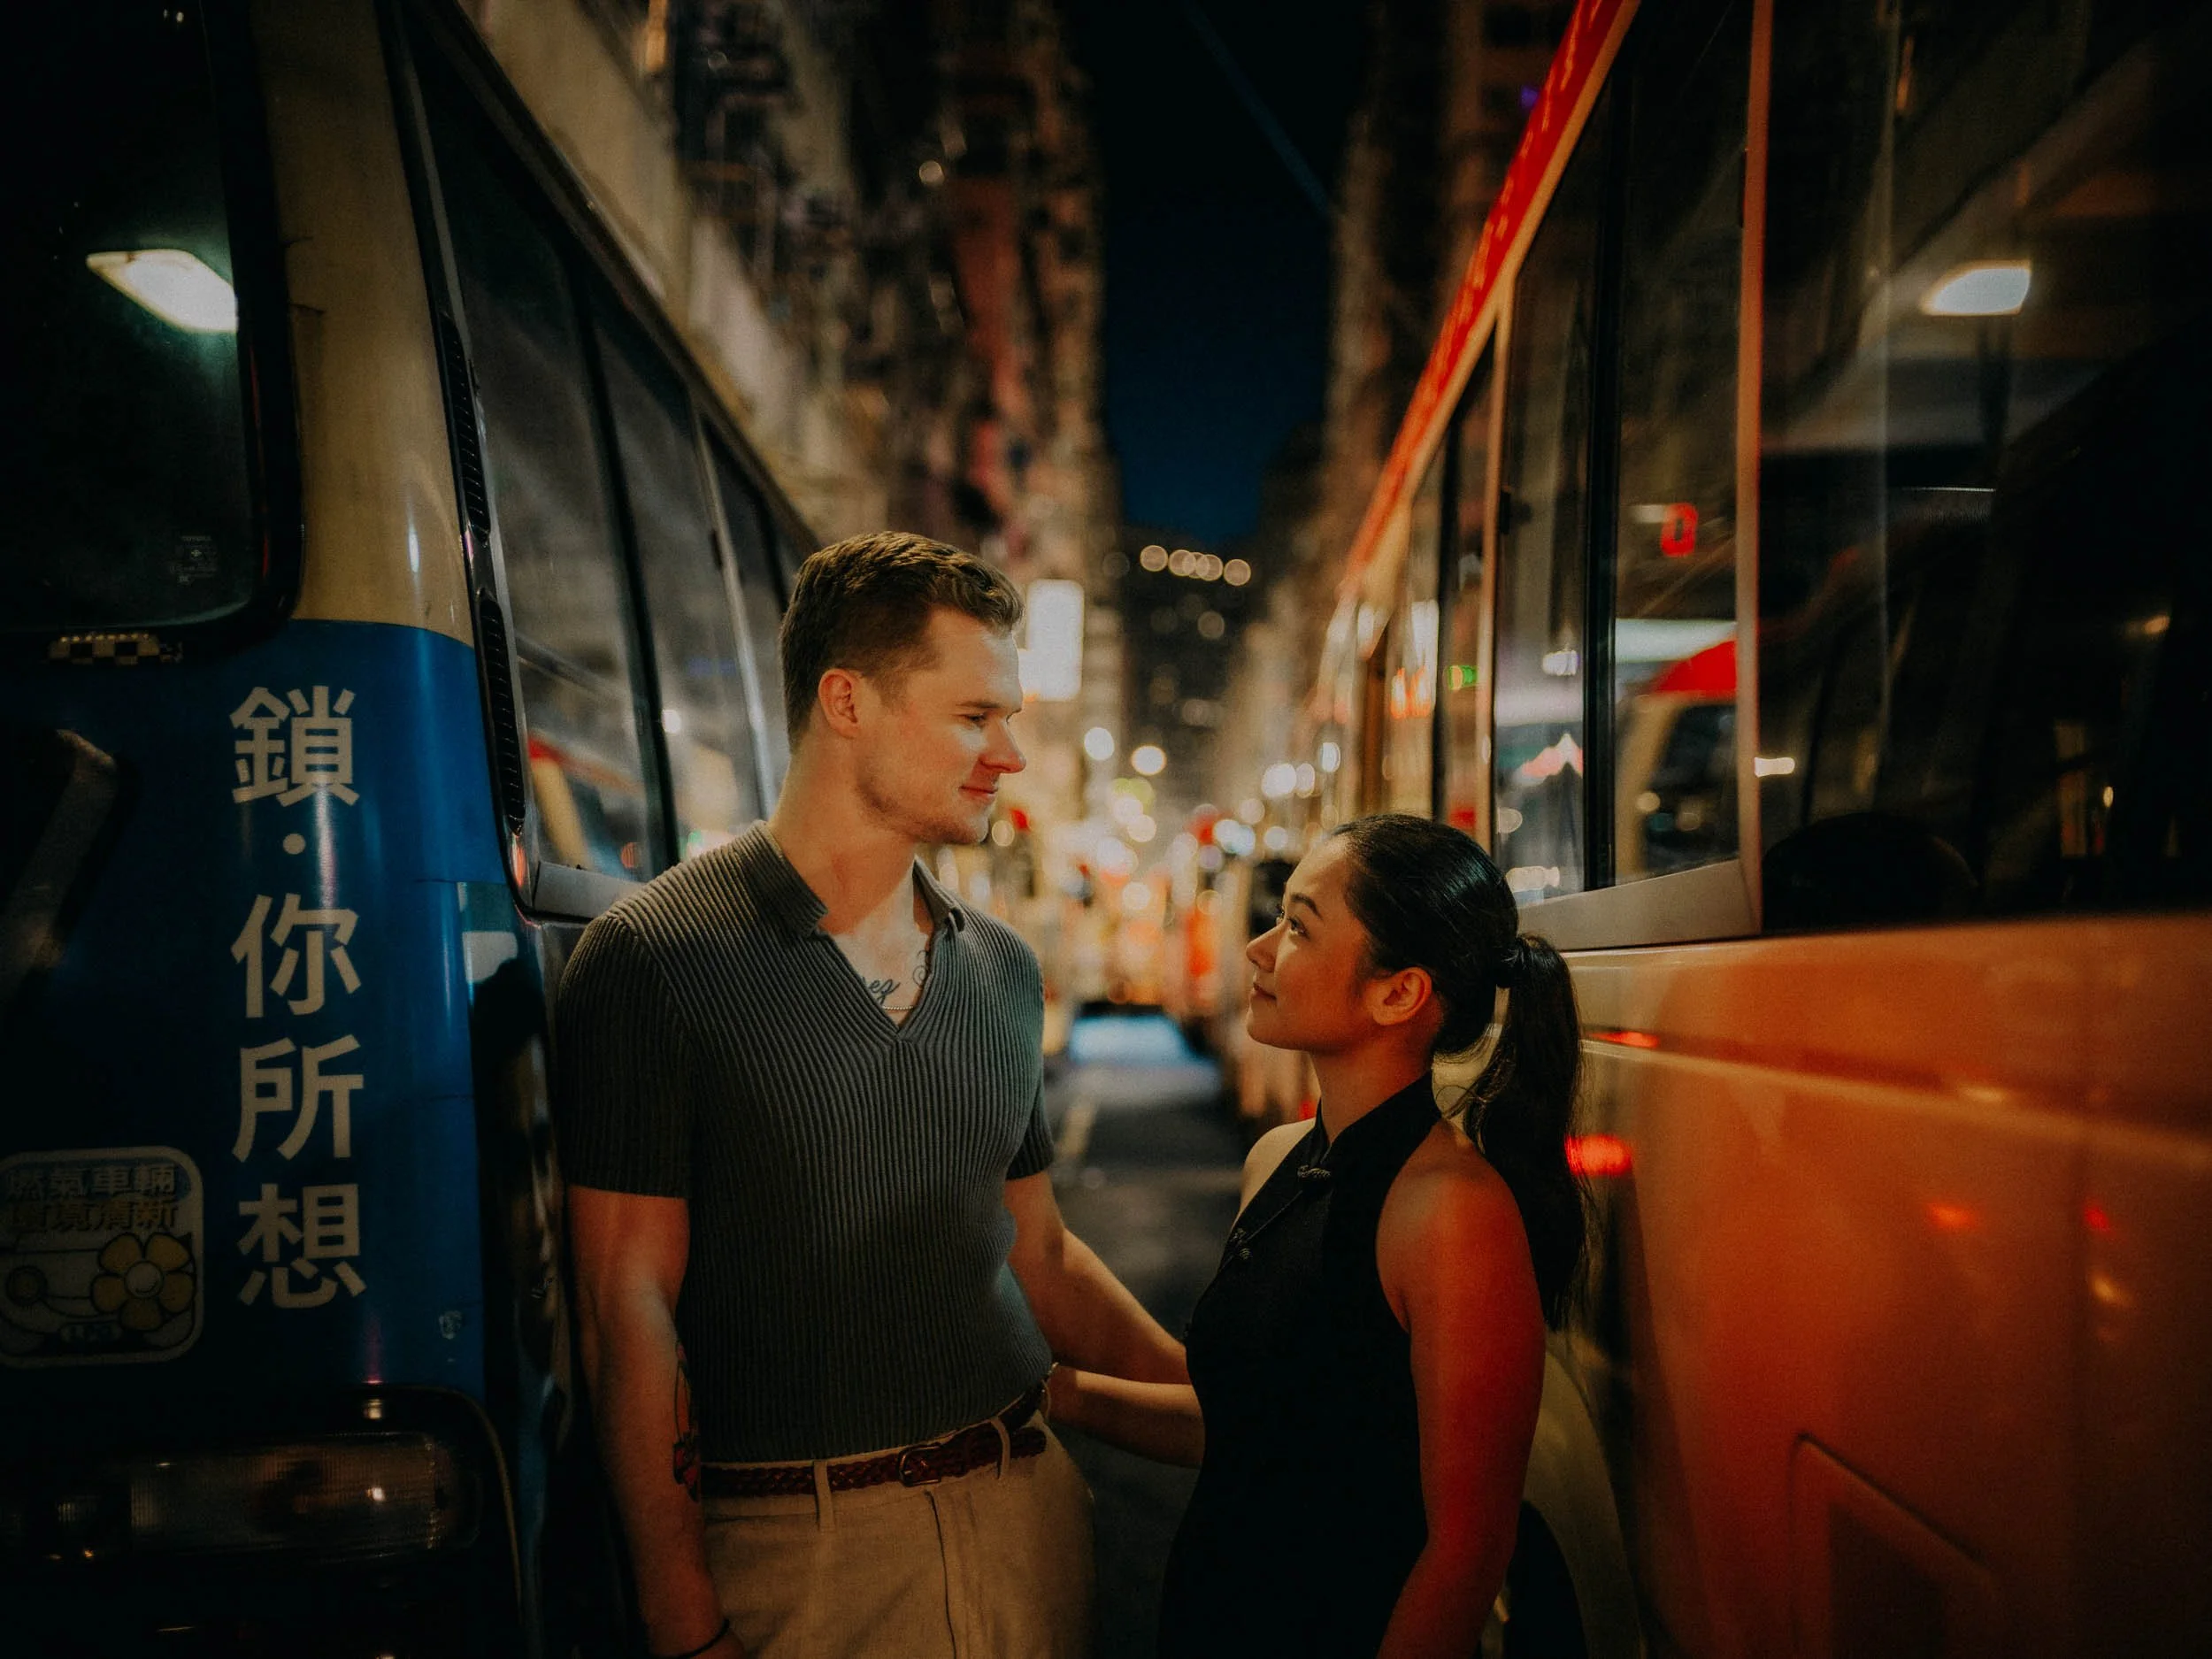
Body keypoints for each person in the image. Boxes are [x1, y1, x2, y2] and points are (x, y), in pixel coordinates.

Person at [557, 532, 1189, 1659]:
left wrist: (1208, 1399)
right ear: (845, 701)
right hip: (799, 1554)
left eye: (1009, 718)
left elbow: (1037, 1251)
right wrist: (679, 1611)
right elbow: (625, 1308)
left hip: (1027, 1510)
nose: (1008, 755)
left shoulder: (1000, 969)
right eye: (974, 717)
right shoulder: (653, 960)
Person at [1047, 813, 1588, 1657]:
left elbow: (1465, 1552)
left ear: (1398, 993)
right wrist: (1053, 1395)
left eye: (1298, 927)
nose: (1257, 948)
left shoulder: (1451, 1212)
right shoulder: (1277, 1158)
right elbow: (1251, 1426)